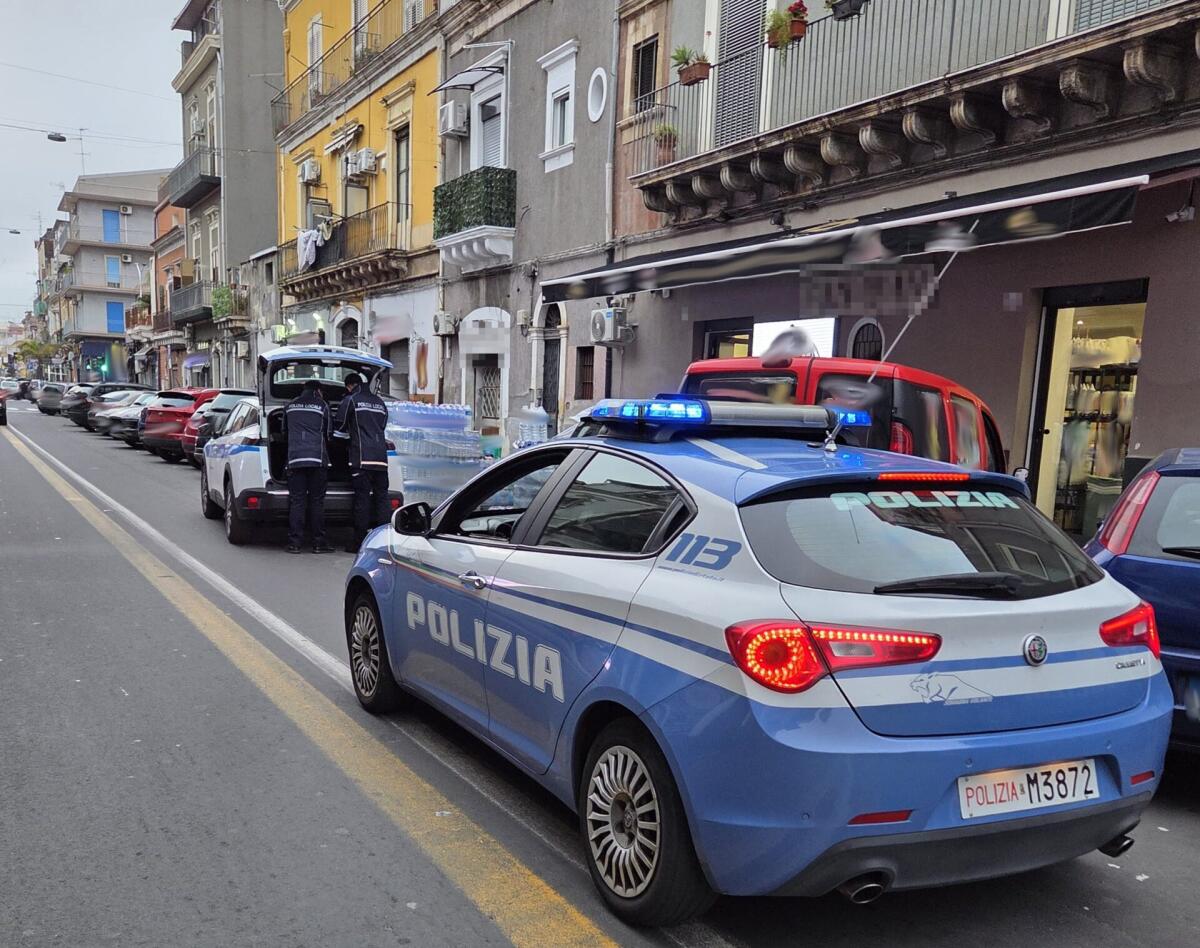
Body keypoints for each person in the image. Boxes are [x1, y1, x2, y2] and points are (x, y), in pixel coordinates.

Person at [334, 371, 390, 552]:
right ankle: (384, 541)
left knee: (362, 500)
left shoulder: (351, 400)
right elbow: (382, 427)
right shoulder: (380, 403)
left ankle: (359, 543)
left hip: (361, 458)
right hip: (381, 458)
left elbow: (340, 428)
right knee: (382, 500)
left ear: (349, 386)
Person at [284, 379, 335, 555]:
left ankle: (294, 544)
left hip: (295, 460)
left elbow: (283, 432)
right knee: (316, 502)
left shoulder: (290, 406)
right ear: (318, 391)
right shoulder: (322, 406)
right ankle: (319, 543)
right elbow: (329, 433)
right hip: (317, 460)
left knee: (297, 501)